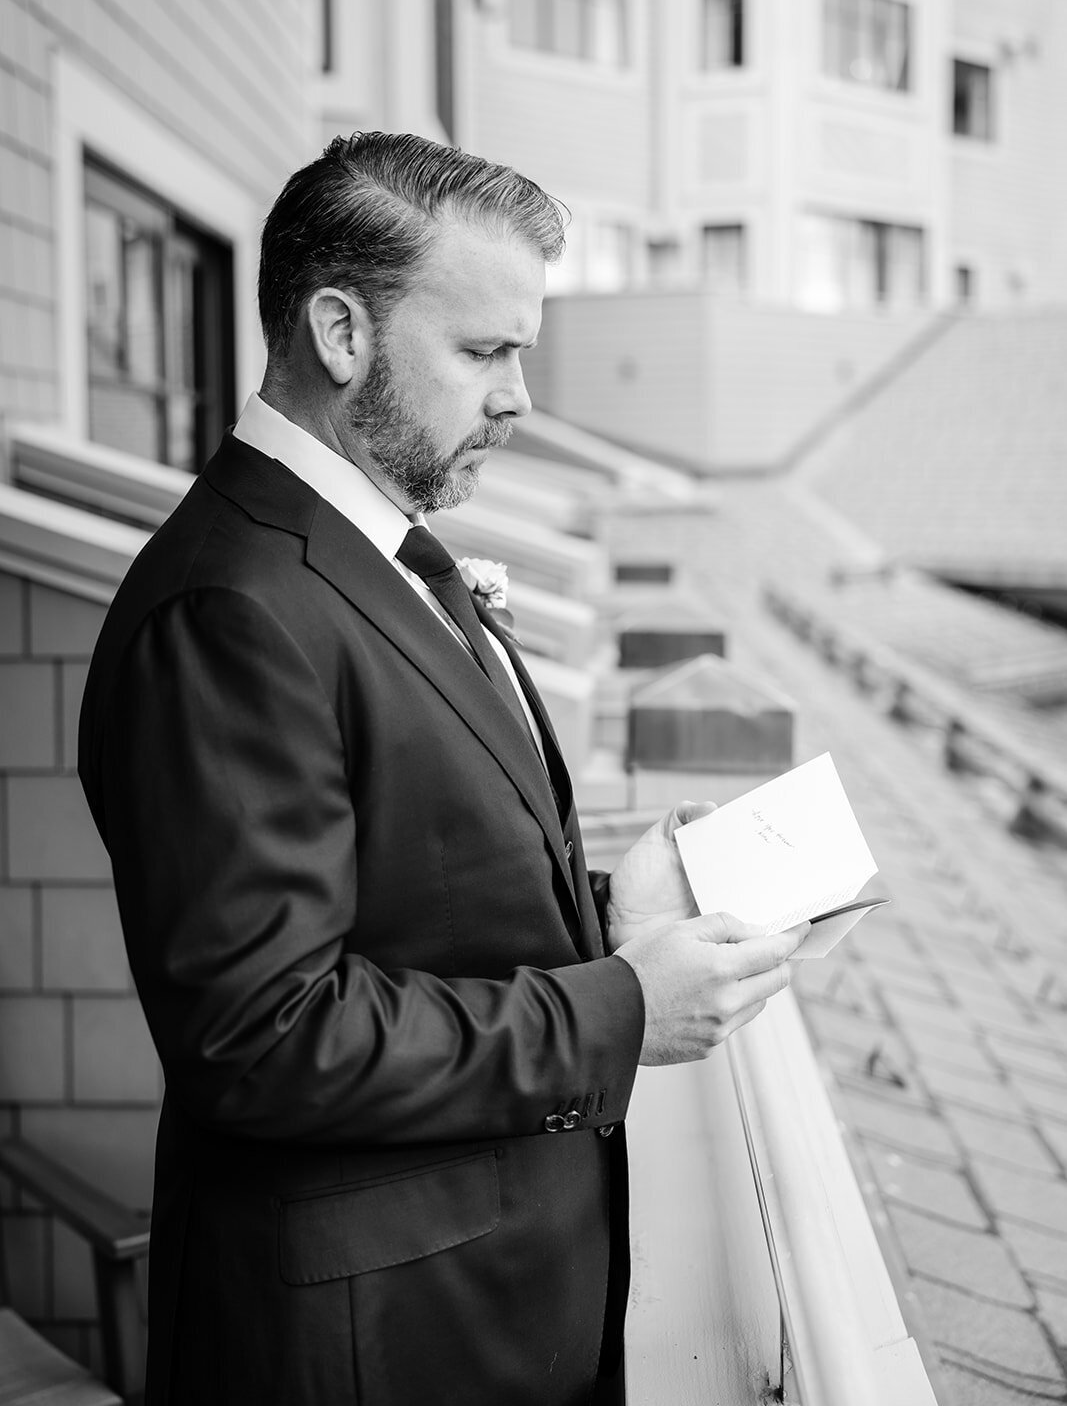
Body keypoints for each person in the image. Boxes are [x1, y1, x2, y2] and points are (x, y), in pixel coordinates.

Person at [78, 132, 807, 1406]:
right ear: (339, 332)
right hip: (368, 1349)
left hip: (473, 1308)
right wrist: (619, 1010)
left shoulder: (374, 549)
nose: (520, 394)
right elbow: (263, 1034)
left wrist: (607, 918)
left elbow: (410, 886)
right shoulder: (231, 607)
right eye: (485, 352)